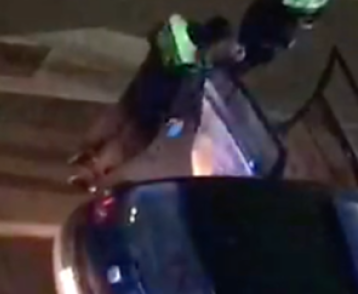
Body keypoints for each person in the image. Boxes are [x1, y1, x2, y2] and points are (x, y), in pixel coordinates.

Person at [66, 14, 243, 192]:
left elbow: (157, 40)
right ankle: (94, 173)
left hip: (142, 88)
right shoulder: (196, 61)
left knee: (118, 125)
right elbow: (186, 92)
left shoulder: (180, 33)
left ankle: (87, 159)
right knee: (126, 143)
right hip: (155, 106)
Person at [235, 0, 338, 74]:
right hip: (270, 9)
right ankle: (240, 52)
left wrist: (309, 21)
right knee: (252, 33)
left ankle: (251, 61)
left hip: (289, 17)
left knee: (274, 47)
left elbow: (317, 12)